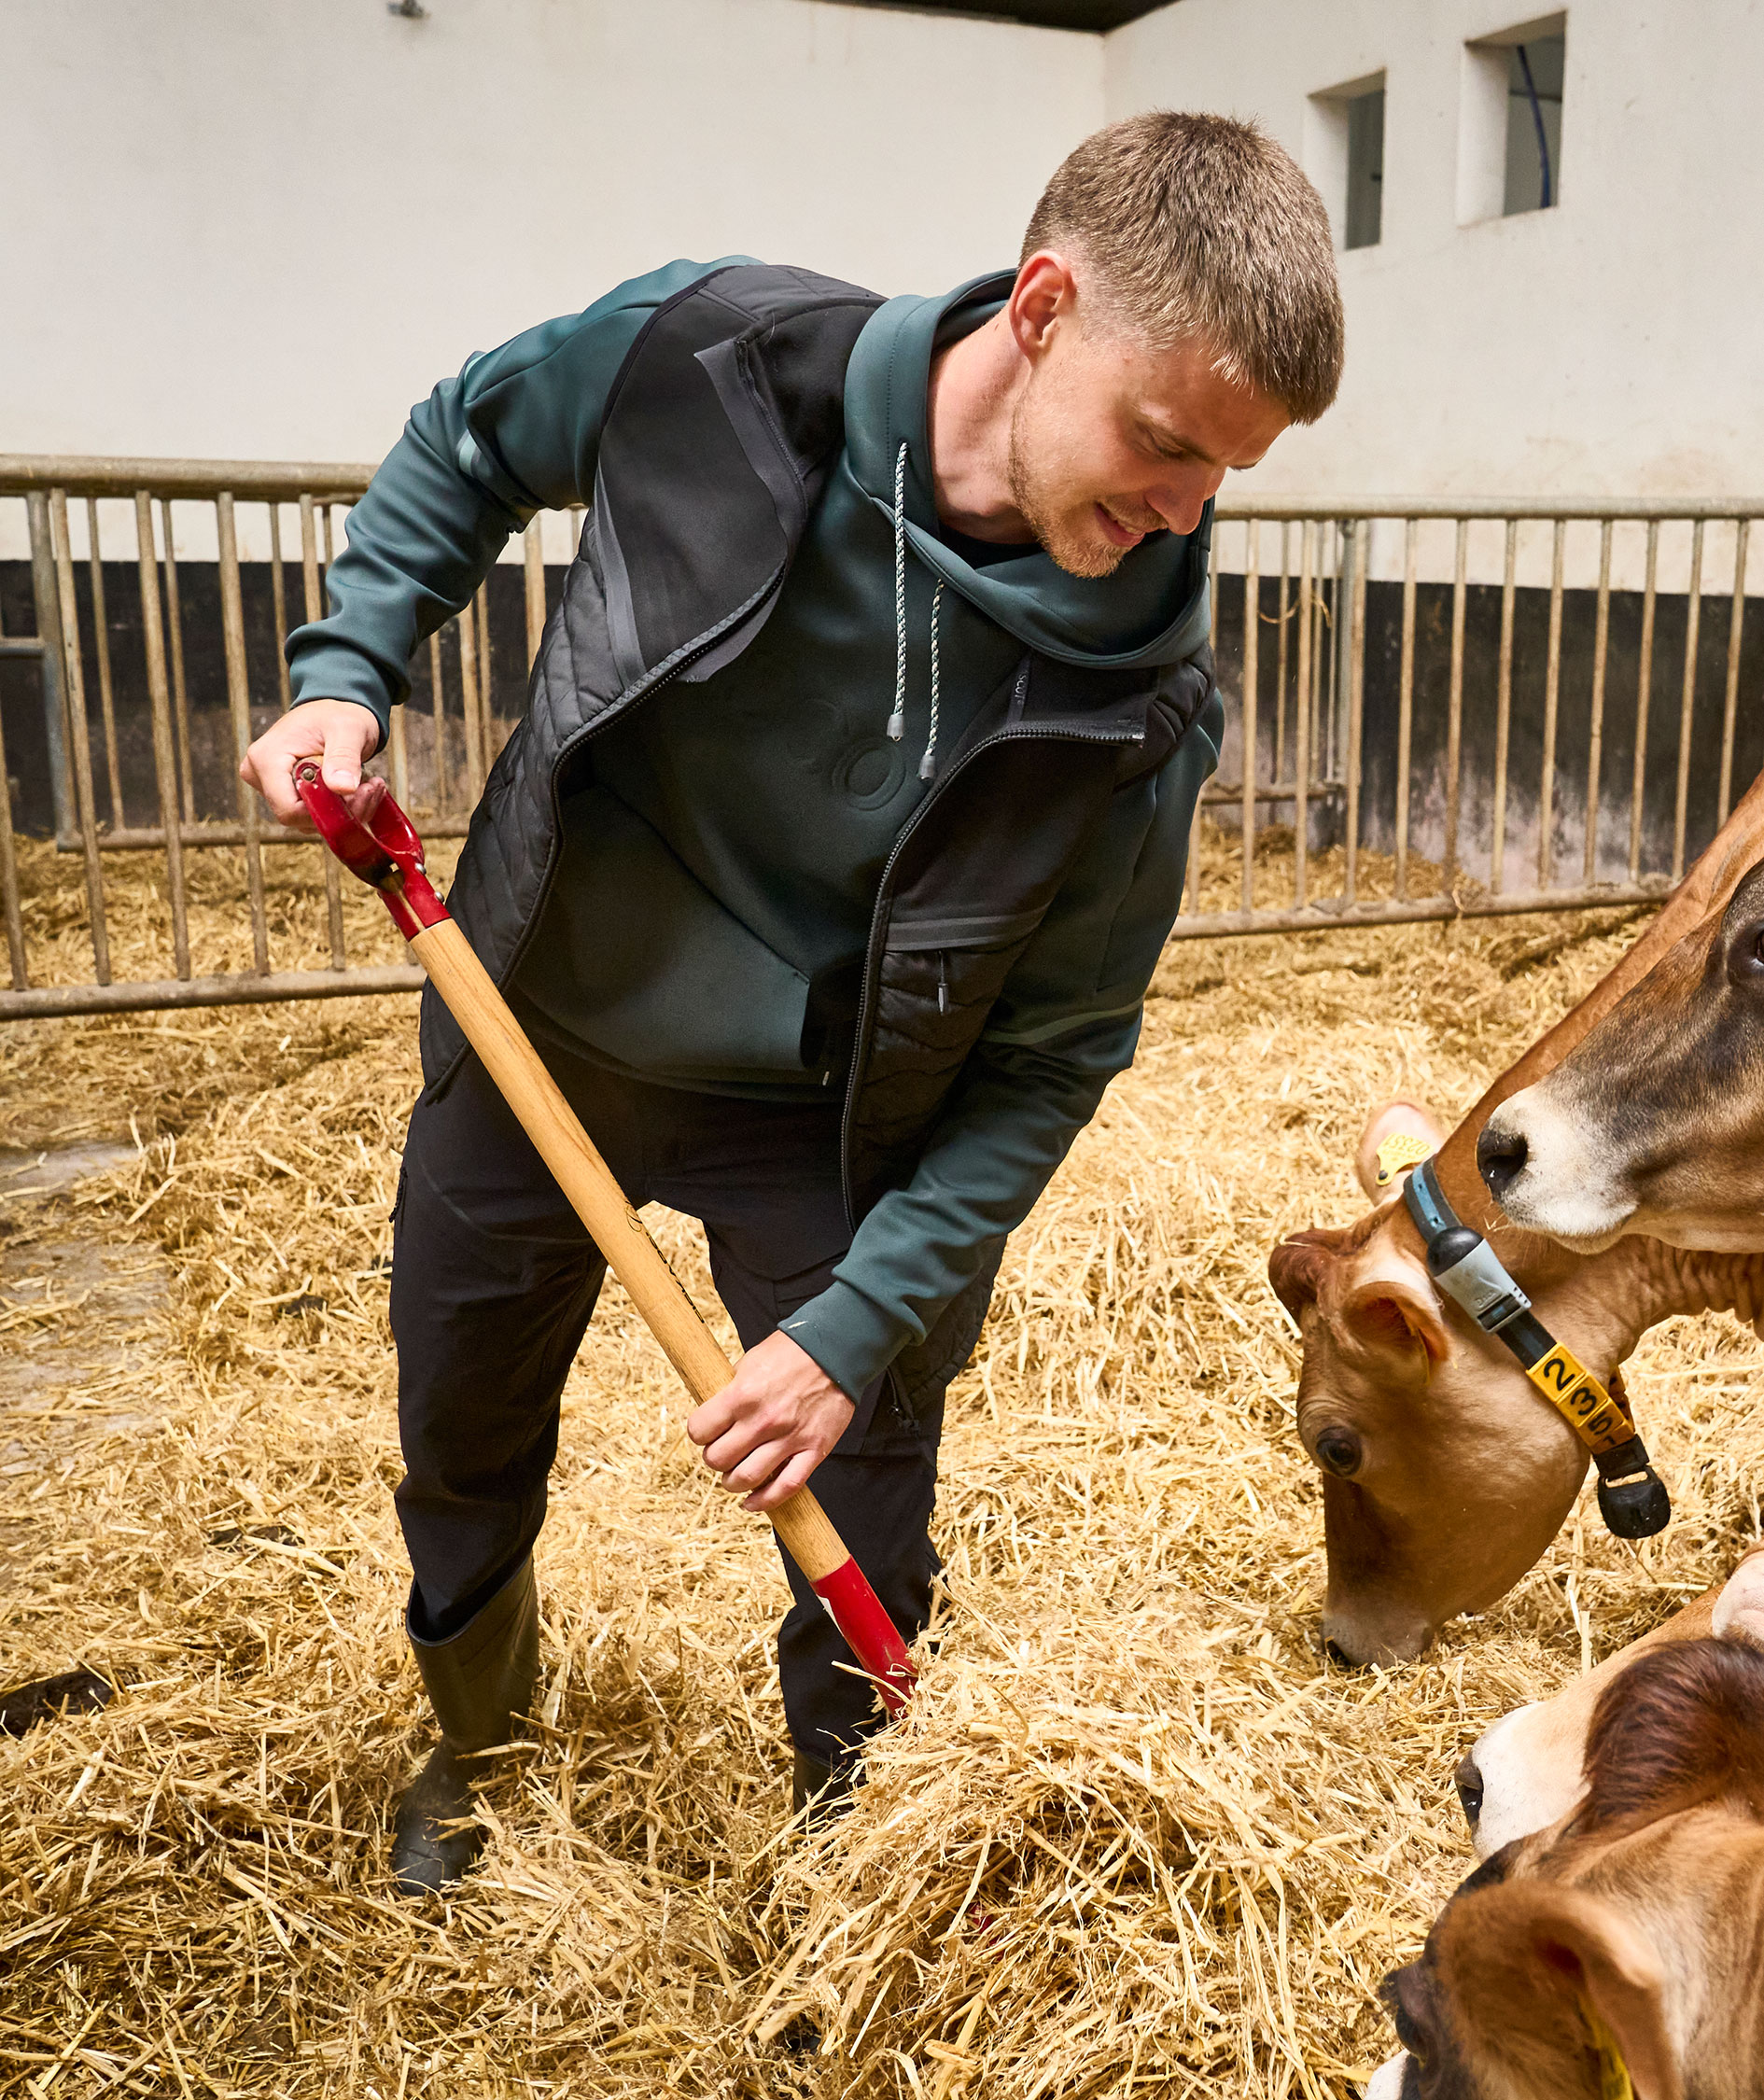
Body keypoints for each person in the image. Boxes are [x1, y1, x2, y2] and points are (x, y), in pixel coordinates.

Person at [242, 112, 1342, 1895]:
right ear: (1042, 309)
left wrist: (852, 1327)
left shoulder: (1140, 708)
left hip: (833, 1116)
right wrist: (349, 671)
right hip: (540, 1032)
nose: (1184, 510)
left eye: (1225, 473)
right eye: (1162, 442)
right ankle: (477, 1739)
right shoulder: (711, 361)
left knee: (867, 1499)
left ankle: (858, 1852)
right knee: (459, 1428)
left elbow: (1055, 1057)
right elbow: (471, 437)